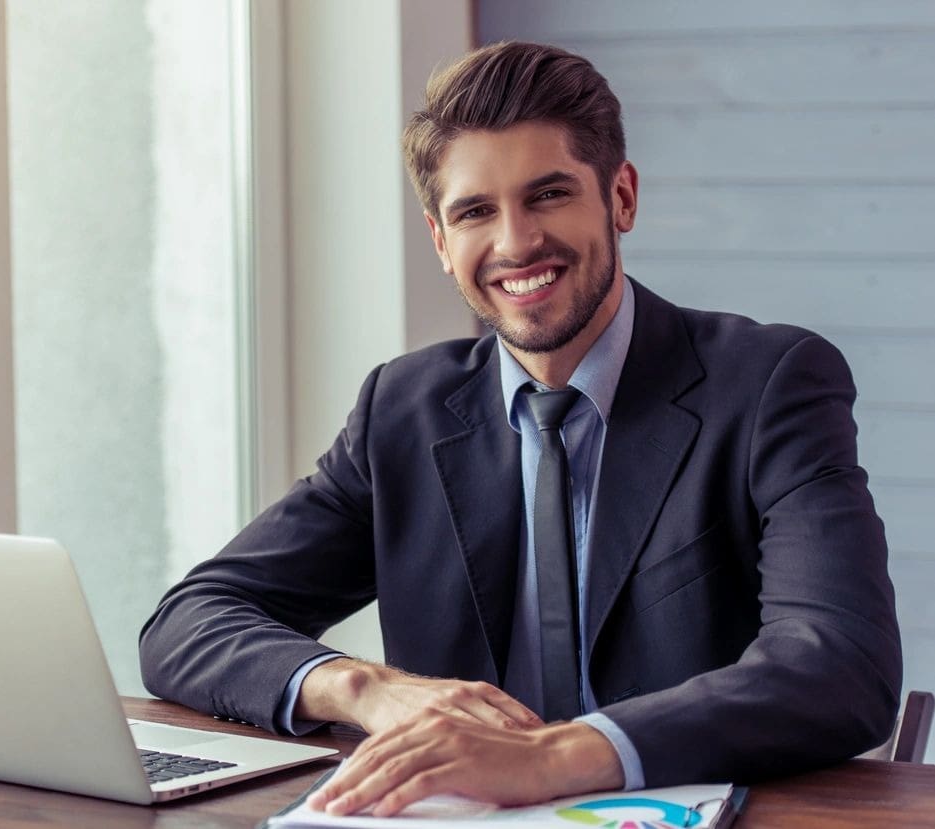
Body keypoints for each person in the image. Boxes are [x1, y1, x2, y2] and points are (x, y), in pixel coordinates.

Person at [138, 40, 902, 816]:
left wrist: (557, 756)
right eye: (474, 211)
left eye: (547, 195)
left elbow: (839, 664)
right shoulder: (400, 410)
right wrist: (366, 688)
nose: (514, 243)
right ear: (441, 241)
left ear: (621, 197)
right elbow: (189, 621)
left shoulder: (768, 382)